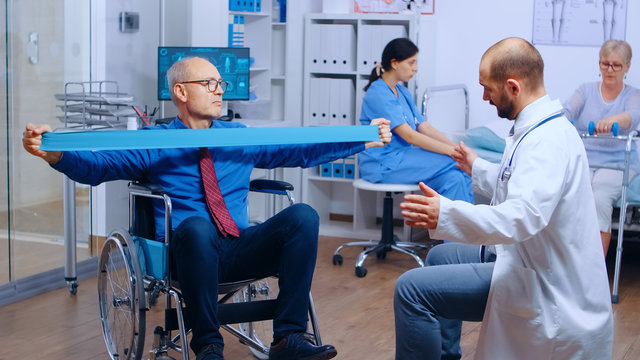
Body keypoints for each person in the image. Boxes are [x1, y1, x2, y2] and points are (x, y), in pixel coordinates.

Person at [22, 57, 391, 360]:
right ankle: (209, 348)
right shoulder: (155, 143)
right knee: (197, 226)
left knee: (304, 216)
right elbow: (100, 165)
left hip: (238, 245)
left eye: (220, 84)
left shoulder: (238, 136)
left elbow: (301, 149)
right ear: (181, 92)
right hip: (188, 254)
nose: (219, 91)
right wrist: (54, 153)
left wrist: (362, 138)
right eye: (209, 83)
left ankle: (288, 339)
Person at [395, 37, 613, 360]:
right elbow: (518, 179)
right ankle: (446, 355)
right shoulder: (536, 124)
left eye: (488, 89)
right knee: (440, 258)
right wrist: (476, 167)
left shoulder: (547, 141)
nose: (484, 96)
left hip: (548, 290)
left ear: (513, 87)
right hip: (524, 256)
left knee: (409, 291)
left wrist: (446, 214)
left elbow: (520, 217)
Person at [359, 37, 474, 207]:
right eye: (411, 62)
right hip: (383, 164)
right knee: (454, 163)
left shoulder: (402, 91)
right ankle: (467, 230)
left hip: (402, 159)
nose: (416, 68)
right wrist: (453, 153)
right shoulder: (378, 93)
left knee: (454, 178)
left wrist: (458, 149)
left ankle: (457, 230)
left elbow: (423, 126)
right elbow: (410, 136)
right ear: (395, 63)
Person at [563, 39, 640, 257]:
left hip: (617, 162)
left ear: (627, 67)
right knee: (575, 194)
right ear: (599, 64)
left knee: (598, 198)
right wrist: (563, 121)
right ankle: (570, 264)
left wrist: (614, 119)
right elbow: (568, 110)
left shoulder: (633, 95)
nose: (609, 69)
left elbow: (632, 117)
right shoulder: (585, 90)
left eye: (616, 65)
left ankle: (594, 271)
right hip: (586, 158)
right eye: (605, 63)